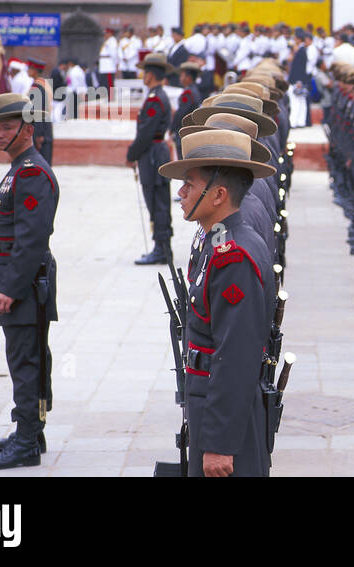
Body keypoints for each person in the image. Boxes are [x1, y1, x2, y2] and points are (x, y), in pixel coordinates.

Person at [164, 128, 277, 477]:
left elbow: (236, 354)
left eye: (190, 184)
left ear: (218, 195)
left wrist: (219, 444)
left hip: (226, 421)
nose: (180, 193)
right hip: (210, 404)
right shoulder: (223, 242)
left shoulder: (233, 256)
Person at [0, 92, 59, 470]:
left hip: (26, 286)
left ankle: (25, 443)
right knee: (26, 358)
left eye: (7, 127)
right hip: (13, 278)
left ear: (28, 129)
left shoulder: (33, 172)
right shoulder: (19, 169)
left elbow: (32, 239)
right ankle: (31, 432)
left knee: (26, 363)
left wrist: (11, 289)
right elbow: (7, 233)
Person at [129, 53, 176, 265]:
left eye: (144, 73)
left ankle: (162, 248)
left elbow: (146, 132)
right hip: (154, 152)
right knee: (157, 202)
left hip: (153, 154)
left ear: (150, 75)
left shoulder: (156, 98)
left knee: (157, 203)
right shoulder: (155, 95)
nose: (142, 76)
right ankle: (162, 247)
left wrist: (132, 154)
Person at [25, 58, 54, 164]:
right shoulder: (44, 83)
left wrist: (38, 134)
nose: (27, 71)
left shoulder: (37, 87)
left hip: (41, 129)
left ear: (34, 70)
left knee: (41, 163)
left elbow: (38, 111)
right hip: (46, 126)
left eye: (29, 68)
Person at [98, 27, 119, 99]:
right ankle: (105, 97)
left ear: (110, 33)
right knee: (104, 83)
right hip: (104, 65)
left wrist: (115, 64)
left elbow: (113, 54)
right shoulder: (107, 41)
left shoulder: (112, 41)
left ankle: (111, 97)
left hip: (109, 65)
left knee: (109, 83)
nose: (105, 35)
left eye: (106, 33)